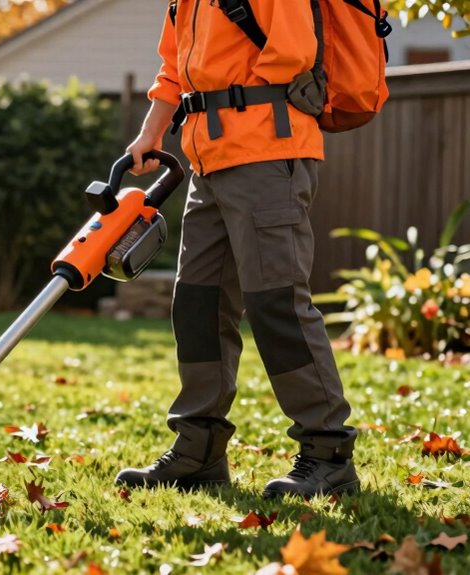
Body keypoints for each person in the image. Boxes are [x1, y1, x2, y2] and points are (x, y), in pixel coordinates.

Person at [116, 0, 359, 498]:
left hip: (268, 152)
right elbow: (173, 65)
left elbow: (293, 53)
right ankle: (198, 449)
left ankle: (327, 450)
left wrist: (230, 99)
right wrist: (151, 131)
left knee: (276, 301)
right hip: (210, 160)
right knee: (198, 304)